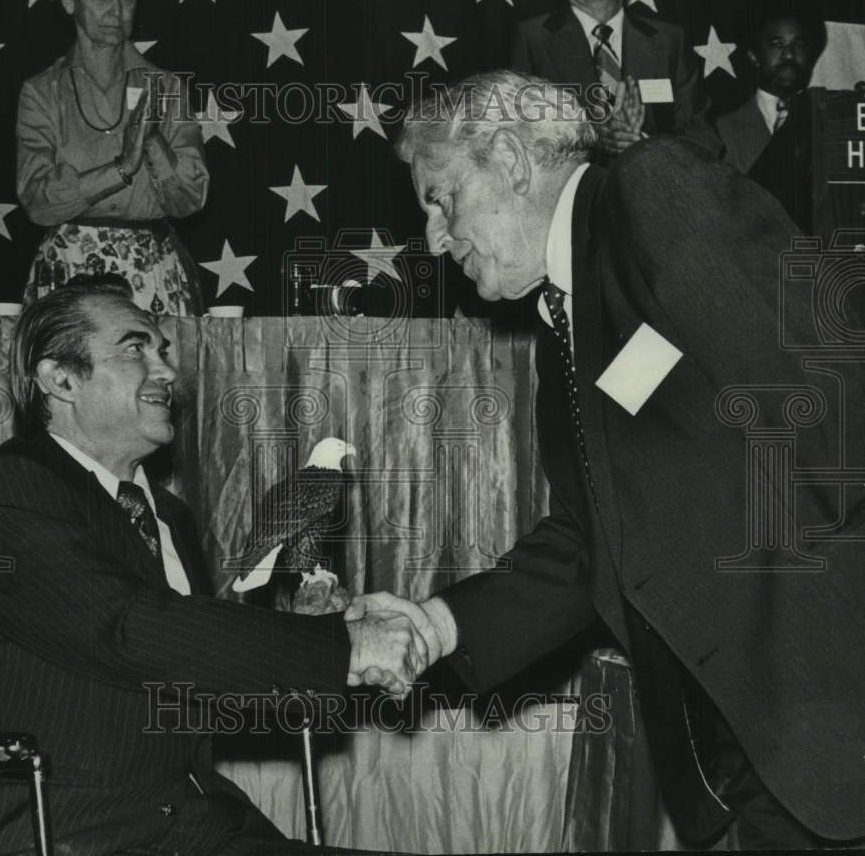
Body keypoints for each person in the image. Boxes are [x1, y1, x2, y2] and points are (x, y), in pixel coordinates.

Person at [349, 71, 865, 849]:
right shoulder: (561, 327)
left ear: (513, 163)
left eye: (440, 197)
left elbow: (832, 404)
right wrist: (436, 623)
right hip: (740, 769)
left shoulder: (652, 193)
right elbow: (597, 546)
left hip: (829, 730)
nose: (433, 237)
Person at [0, 274, 423, 855]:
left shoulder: (171, 517)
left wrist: (320, 634)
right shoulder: (5, 490)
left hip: (194, 826)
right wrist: (341, 646)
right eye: (136, 348)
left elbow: (197, 676)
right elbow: (127, 628)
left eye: (163, 350)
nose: (167, 371)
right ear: (59, 378)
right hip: (54, 829)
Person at [17, 0, 208, 316]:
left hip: (151, 271)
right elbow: (37, 202)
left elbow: (191, 199)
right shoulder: (40, 92)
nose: (116, 10)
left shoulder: (165, 86)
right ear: (69, 1)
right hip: (70, 270)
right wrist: (121, 168)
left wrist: (153, 142)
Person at [510, 0, 710, 157]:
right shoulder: (532, 40)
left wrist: (643, 145)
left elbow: (704, 137)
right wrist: (594, 139)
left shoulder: (669, 41)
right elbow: (516, 136)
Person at [716, 0, 826, 173]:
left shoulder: (830, 123)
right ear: (754, 56)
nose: (789, 54)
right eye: (776, 44)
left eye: (799, 44)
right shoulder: (719, 129)